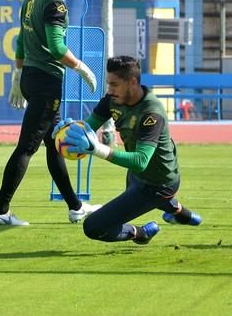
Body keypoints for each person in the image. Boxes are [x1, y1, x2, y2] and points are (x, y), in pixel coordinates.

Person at [0, 0, 101, 226]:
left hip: (30, 75)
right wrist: (81, 67)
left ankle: (75, 207)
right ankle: (0, 211)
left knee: (54, 144)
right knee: (26, 148)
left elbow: (20, 39)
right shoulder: (56, 4)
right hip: (45, 82)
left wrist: (17, 76)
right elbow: (56, 48)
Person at [56, 55, 202, 245]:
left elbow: (140, 161)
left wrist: (97, 149)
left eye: (114, 84)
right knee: (137, 203)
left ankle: (139, 232)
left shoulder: (152, 112)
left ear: (132, 82)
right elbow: (89, 127)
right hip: (136, 177)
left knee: (93, 227)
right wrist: (69, 131)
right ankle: (180, 214)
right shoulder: (112, 99)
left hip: (159, 184)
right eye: (108, 84)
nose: (110, 90)